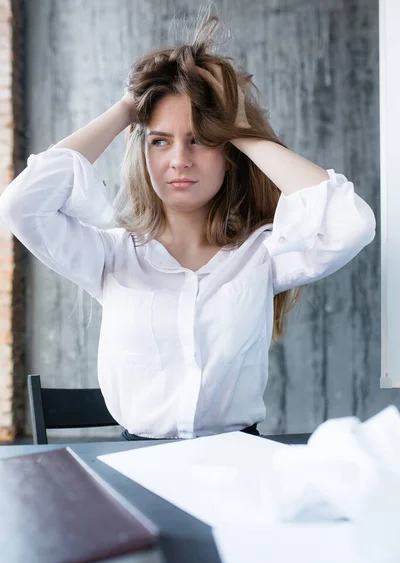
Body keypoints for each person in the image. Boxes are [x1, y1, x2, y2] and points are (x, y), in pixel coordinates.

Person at [0, 14, 376, 441]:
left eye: (200, 138)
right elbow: (20, 205)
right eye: (160, 140)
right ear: (144, 152)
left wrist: (240, 129)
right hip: (135, 469)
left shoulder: (262, 254)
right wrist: (127, 107)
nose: (179, 159)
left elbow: (352, 224)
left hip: (238, 465)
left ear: (227, 151)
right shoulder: (110, 255)